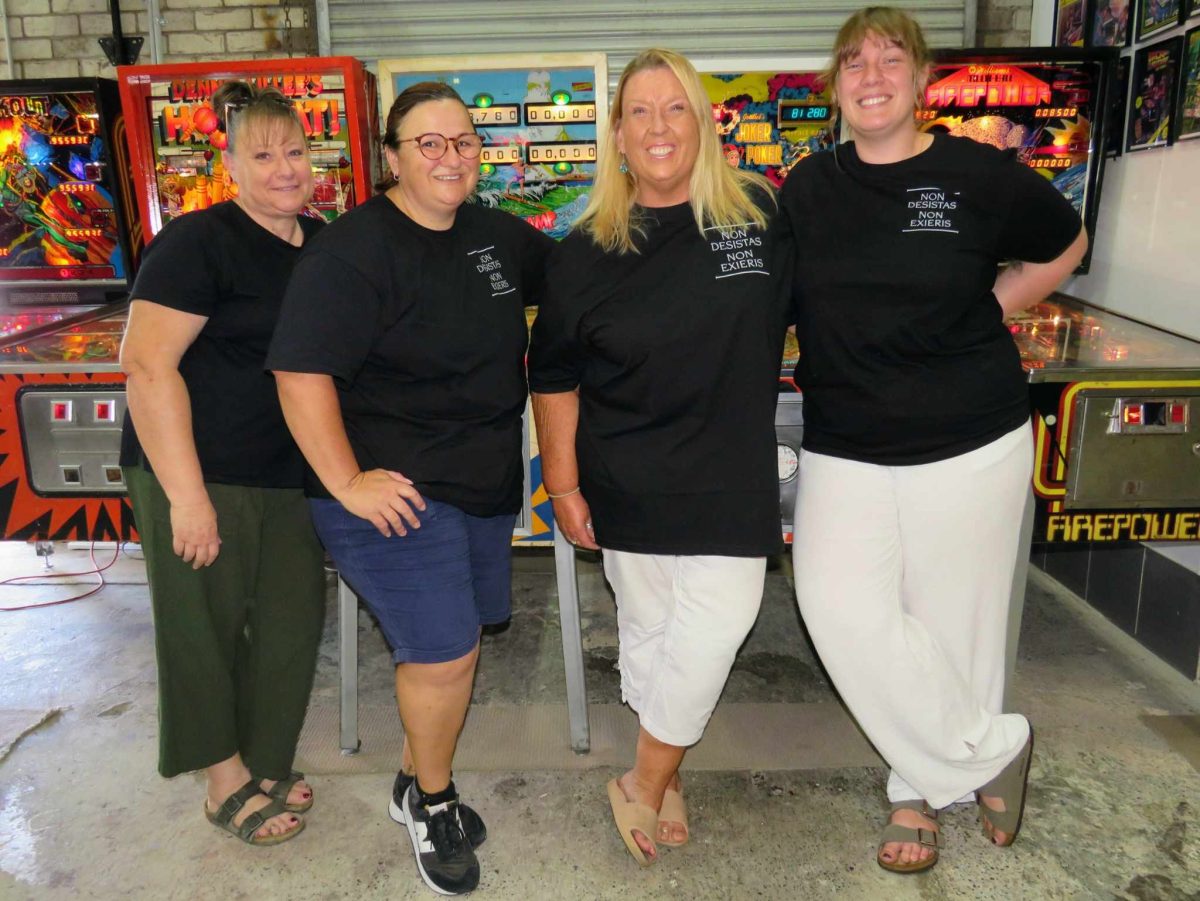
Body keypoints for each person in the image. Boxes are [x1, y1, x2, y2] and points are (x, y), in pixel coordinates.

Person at [780, 6, 1089, 874]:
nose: (871, 75)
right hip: (845, 441)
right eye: (853, 61)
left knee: (957, 623)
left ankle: (916, 791)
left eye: (890, 59)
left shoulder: (978, 173)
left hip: (971, 437)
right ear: (835, 84)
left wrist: (991, 305)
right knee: (839, 609)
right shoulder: (809, 186)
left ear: (921, 80)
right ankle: (992, 752)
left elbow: (1067, 243)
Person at [266, 82, 553, 896]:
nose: (450, 158)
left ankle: (409, 774)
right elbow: (299, 371)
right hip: (388, 492)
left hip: (482, 482)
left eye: (463, 142)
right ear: (390, 156)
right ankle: (432, 800)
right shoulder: (352, 251)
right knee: (445, 650)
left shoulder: (497, 238)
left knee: (461, 644)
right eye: (428, 143)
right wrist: (348, 479)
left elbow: (583, 278)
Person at [528, 49, 790, 867]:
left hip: (728, 474)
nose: (659, 127)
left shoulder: (760, 219)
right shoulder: (584, 251)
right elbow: (555, 374)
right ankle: (669, 769)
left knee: (715, 623)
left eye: (675, 108)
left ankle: (642, 777)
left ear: (702, 123)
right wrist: (562, 483)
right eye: (639, 112)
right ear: (617, 134)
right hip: (626, 475)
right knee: (647, 625)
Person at [119, 80, 327, 846]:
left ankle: (267, 757)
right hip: (194, 468)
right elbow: (146, 366)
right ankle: (222, 778)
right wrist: (186, 495)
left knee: (289, 620)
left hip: (289, 473)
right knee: (201, 624)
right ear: (230, 163)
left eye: (296, 152)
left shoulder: (324, 243)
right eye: (263, 154)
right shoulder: (197, 242)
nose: (283, 169)